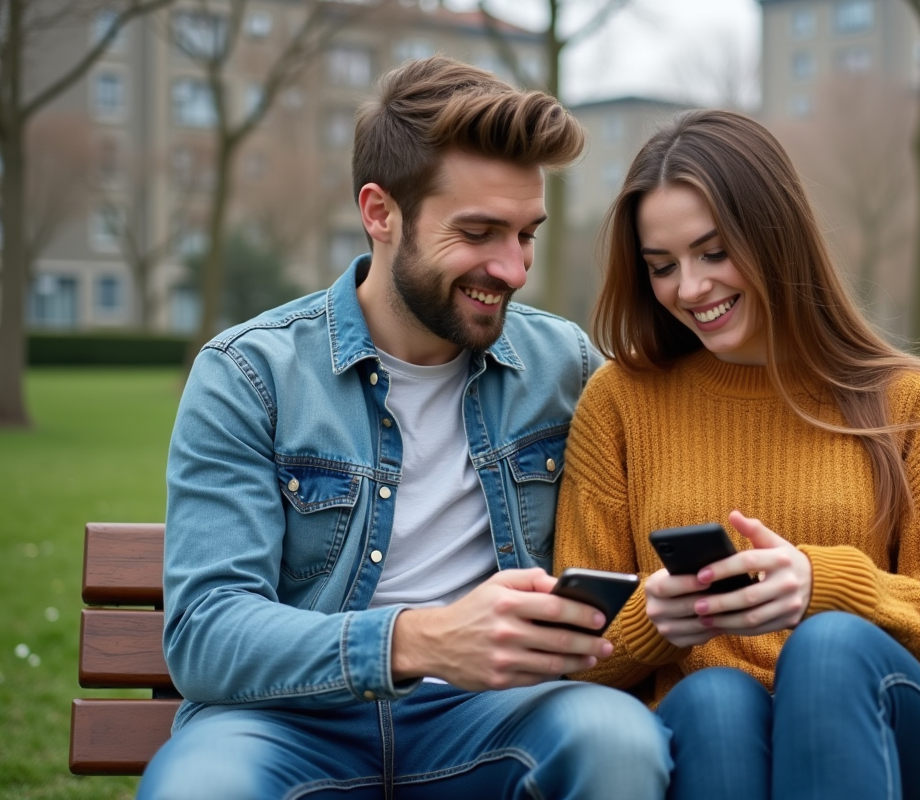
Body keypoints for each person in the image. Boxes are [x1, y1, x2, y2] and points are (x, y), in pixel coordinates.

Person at [138, 56, 671, 800]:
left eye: (527, 235)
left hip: (491, 716)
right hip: (287, 724)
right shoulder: (250, 374)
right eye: (480, 232)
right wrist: (418, 641)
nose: (513, 269)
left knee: (617, 742)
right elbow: (206, 632)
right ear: (380, 212)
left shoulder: (567, 367)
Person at [553, 109, 920, 800]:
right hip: (714, 742)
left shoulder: (908, 402)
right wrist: (657, 625)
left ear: (777, 235)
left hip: (902, 747)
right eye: (662, 266)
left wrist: (824, 586)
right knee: (716, 698)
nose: (690, 288)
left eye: (714, 253)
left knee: (829, 648)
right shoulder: (620, 403)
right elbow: (574, 655)